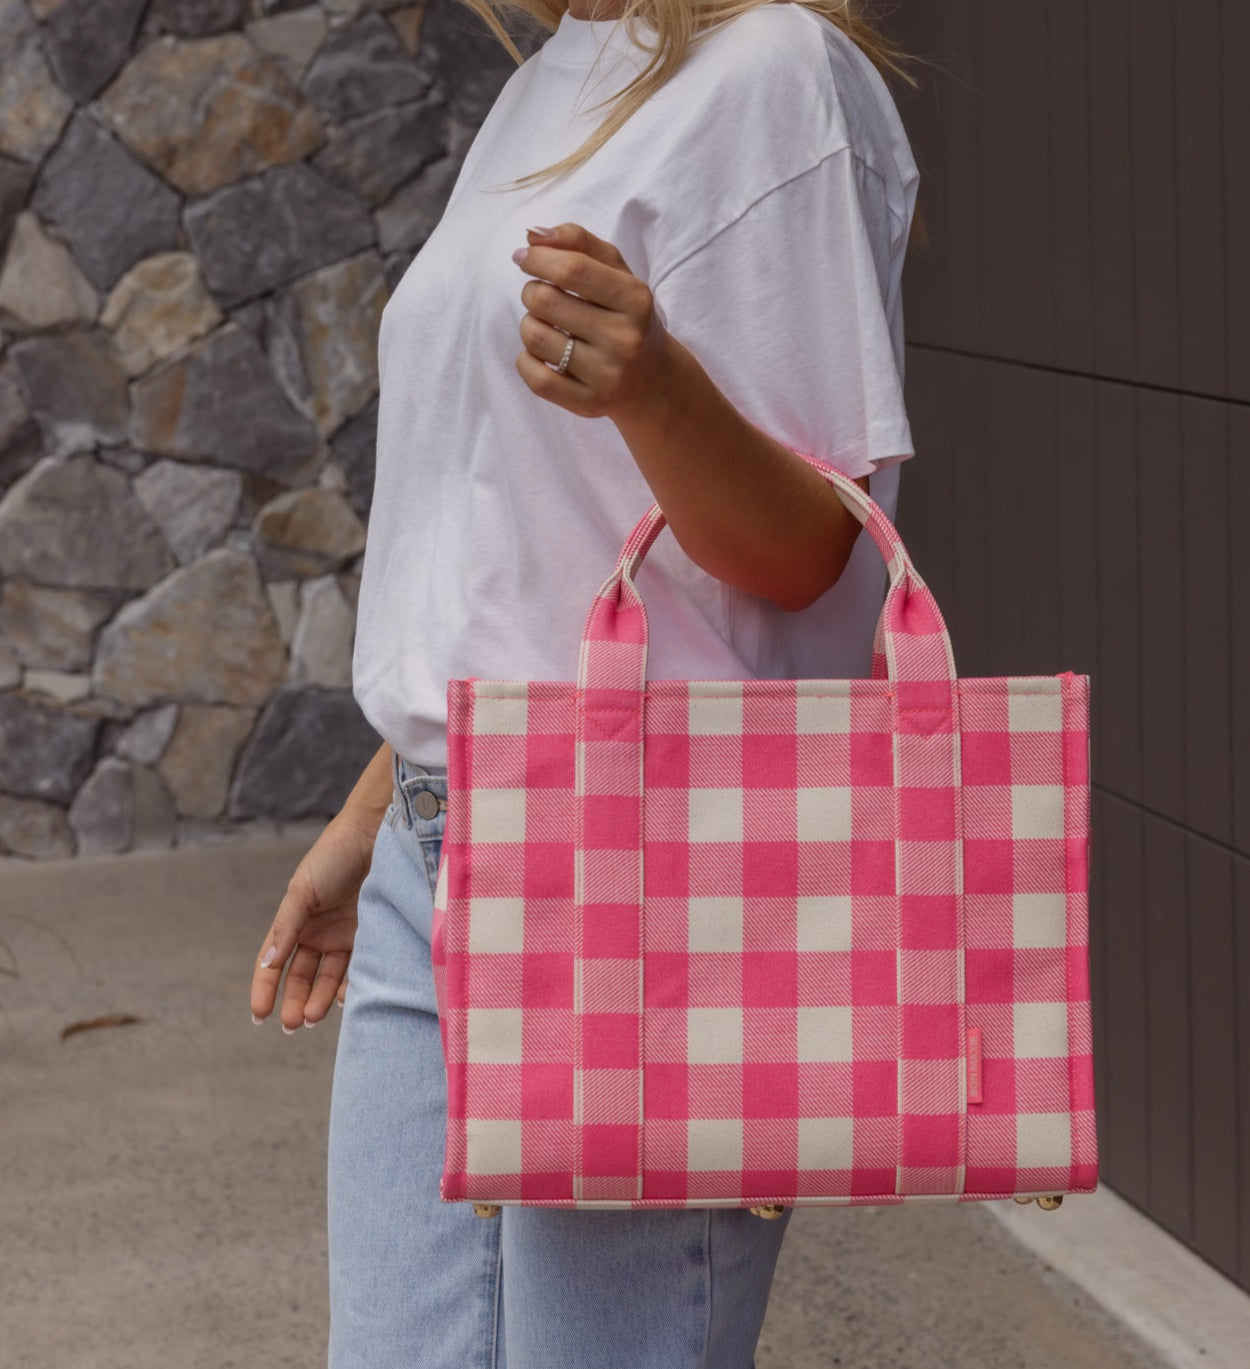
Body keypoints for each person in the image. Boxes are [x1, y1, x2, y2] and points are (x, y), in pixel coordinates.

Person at [248, 0, 925, 1362]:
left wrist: (658, 389)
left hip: (641, 869)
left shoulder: (777, 72)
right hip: (431, 867)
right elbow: (521, 546)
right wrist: (373, 814)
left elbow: (813, 558)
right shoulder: (554, 77)